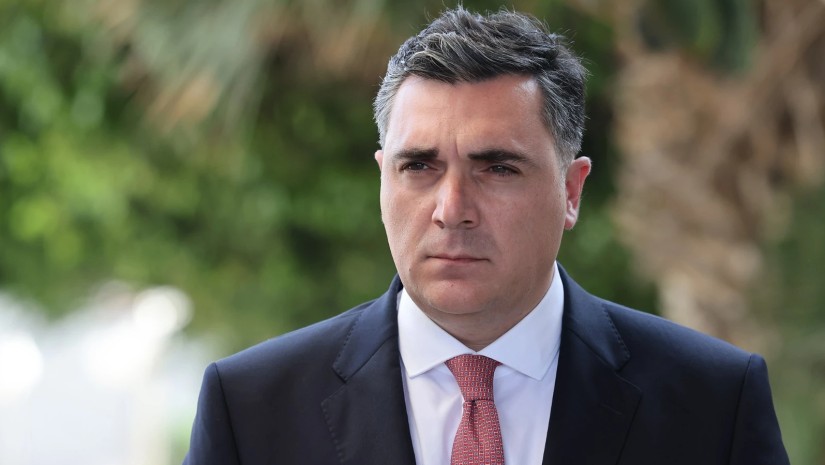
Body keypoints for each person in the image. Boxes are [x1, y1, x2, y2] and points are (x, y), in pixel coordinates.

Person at [183, 7, 789, 465]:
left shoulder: (714, 404)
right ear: (383, 181)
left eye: (498, 168)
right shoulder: (251, 410)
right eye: (419, 166)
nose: (452, 210)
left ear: (571, 191)